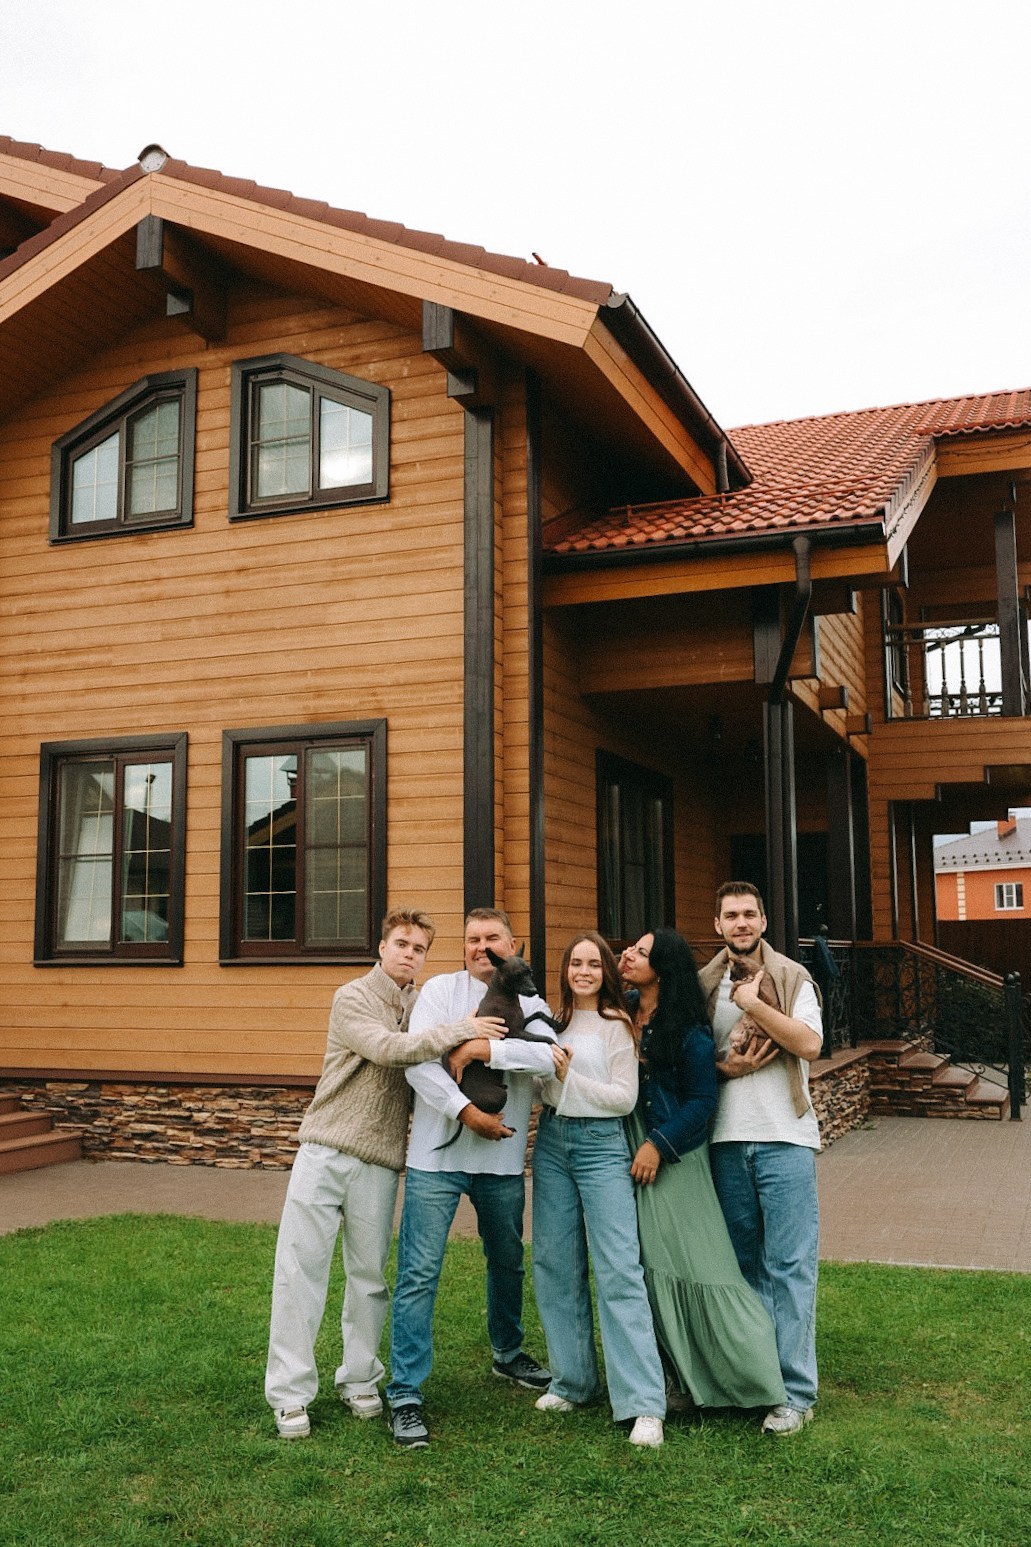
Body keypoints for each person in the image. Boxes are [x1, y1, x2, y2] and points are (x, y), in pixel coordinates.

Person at [265, 908, 502, 1440]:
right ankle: (290, 1396)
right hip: (325, 1149)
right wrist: (462, 1029)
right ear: (381, 946)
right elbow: (386, 1050)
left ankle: (360, 1380)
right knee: (300, 1272)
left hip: (379, 1161)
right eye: (401, 944)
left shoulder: (422, 1007)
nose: (409, 955)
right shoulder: (352, 997)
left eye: (419, 948)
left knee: (369, 1278)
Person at [386, 908, 556, 1450]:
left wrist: (483, 1048)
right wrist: (465, 1112)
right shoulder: (438, 991)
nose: (482, 947)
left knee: (507, 1260)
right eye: (472, 939)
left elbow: (550, 1059)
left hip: (502, 1163)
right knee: (418, 1272)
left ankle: (508, 1354)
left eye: (493, 939)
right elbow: (418, 1063)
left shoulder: (531, 1001)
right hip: (436, 1159)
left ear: (512, 945)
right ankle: (405, 1392)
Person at [622, 928, 787, 1418]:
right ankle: (673, 1380)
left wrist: (658, 1145)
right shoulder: (621, 1010)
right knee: (650, 1269)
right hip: (630, 1149)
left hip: (673, 1157)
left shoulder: (689, 1030)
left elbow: (700, 1104)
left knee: (701, 1267)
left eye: (641, 951)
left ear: (664, 969)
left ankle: (756, 1381)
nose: (627, 953)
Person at [531, 931, 666, 1447]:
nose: (583, 971)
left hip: (600, 1146)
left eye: (593, 963)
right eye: (575, 963)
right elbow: (540, 1084)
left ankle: (643, 1403)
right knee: (554, 1260)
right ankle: (573, 1381)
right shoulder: (552, 1020)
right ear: (565, 970)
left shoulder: (615, 1025)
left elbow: (623, 1099)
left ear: (605, 971)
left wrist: (567, 1080)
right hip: (553, 1143)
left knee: (618, 1268)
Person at [700, 883, 824, 1436]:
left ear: (764, 920)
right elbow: (689, 1053)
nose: (741, 922)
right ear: (718, 924)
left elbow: (809, 1044)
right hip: (725, 1140)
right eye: (731, 915)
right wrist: (721, 1068)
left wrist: (751, 1004)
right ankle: (757, 1381)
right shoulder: (704, 984)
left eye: (749, 913)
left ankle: (795, 1395)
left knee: (790, 1266)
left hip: (785, 1137)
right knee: (744, 1269)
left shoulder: (793, 978)